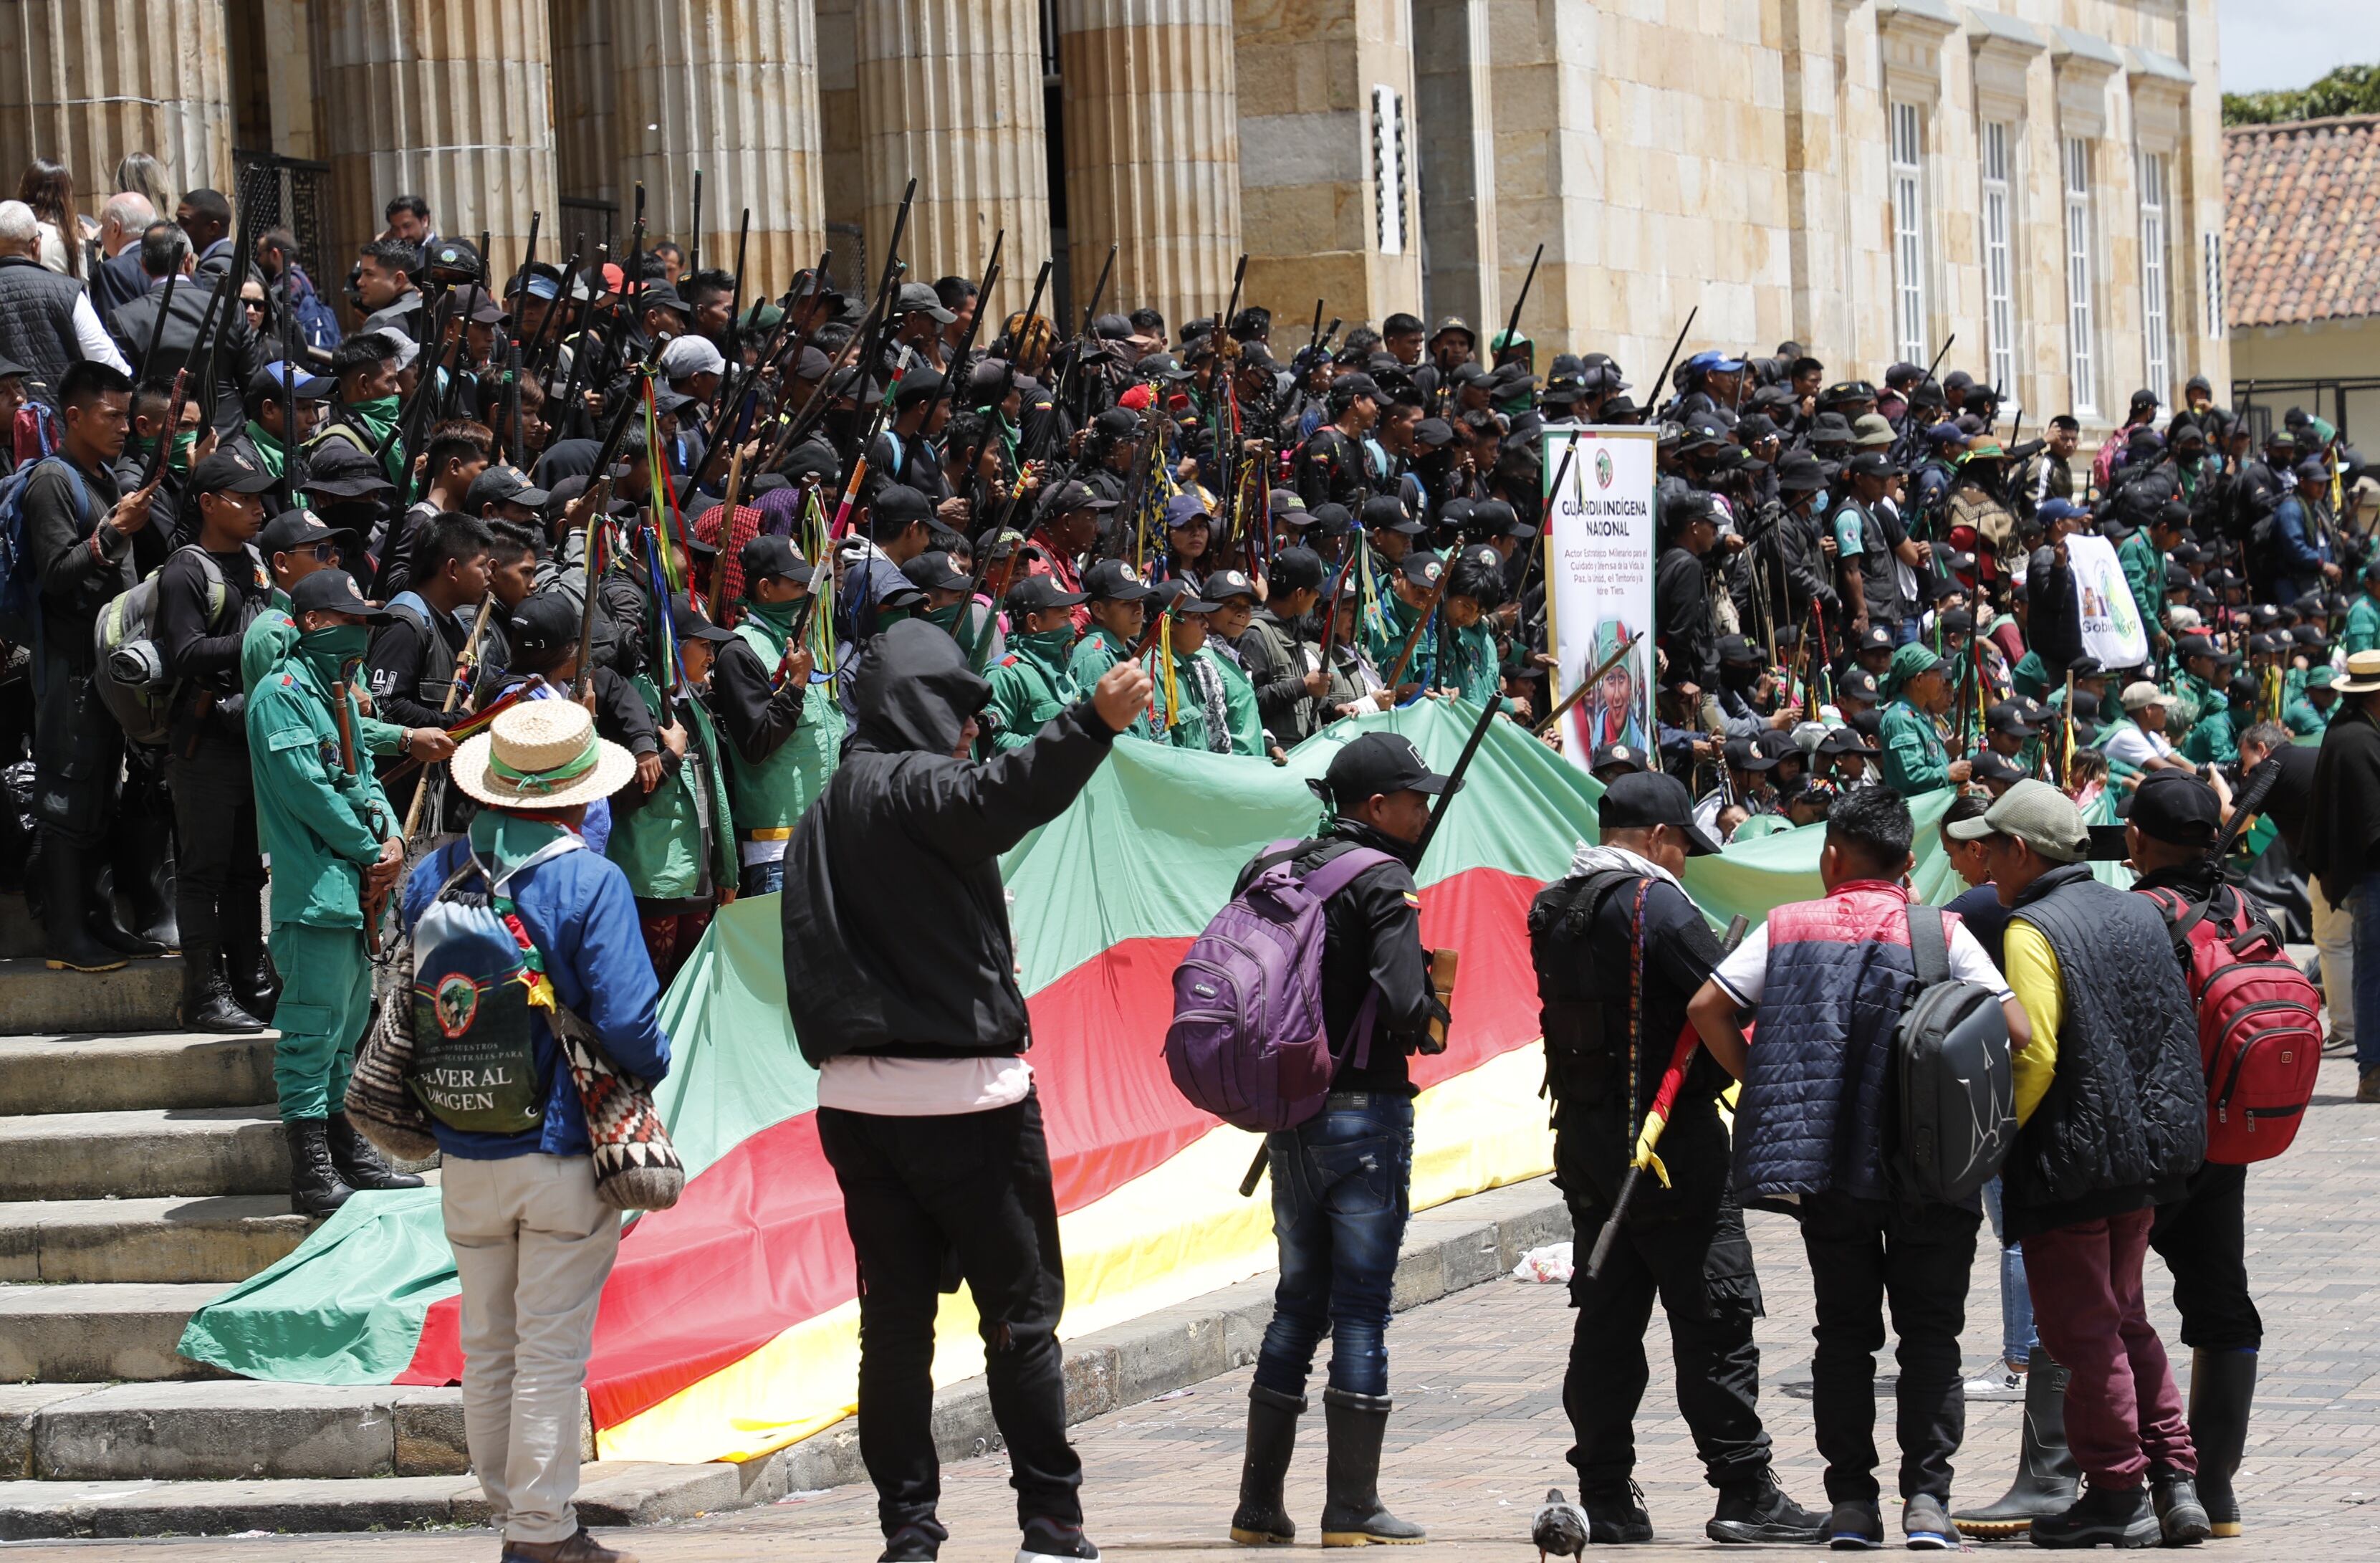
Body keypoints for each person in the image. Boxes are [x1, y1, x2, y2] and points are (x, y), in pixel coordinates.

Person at [779, 618, 1151, 1563]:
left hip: (855, 1107)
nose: (971, 729)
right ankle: (1051, 1526)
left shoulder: (825, 810)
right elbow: (1002, 794)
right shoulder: (912, 786)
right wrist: (1092, 721)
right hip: (969, 1102)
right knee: (1019, 1321)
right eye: (959, 710)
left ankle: (909, 1533)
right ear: (919, 708)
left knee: (894, 1330)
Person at [1687, 785, 2028, 1550]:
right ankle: (1927, 1503)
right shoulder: (1943, 934)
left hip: (1829, 1171)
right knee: (1931, 1336)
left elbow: (1707, 1006)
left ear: (1832, 856)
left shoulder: (1787, 926)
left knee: (1843, 1336)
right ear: (1908, 863)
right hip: (1934, 1170)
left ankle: (1851, 1506)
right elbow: (2017, 1029)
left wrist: (1759, 1079)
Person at [1528, 770, 1822, 1545]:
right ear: (1658, 838)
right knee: (1715, 1318)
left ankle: (1605, 1495)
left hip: (1587, 1146)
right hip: (1669, 1146)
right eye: (1683, 846)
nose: (1684, 860)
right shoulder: (1655, 904)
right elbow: (1726, 996)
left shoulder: (1552, 906)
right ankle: (1745, 1491)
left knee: (1607, 1324)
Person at [403, 698, 666, 1563]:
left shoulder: (432, 877)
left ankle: (515, 1513)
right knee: (550, 1349)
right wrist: (647, 1069)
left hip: (462, 1140)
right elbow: (631, 1026)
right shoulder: (590, 882)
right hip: (560, 1145)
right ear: (578, 795)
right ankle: (540, 1532)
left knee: (489, 1344)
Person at [1944, 780, 2209, 1547]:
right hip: (2146, 1157)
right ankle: (2175, 1481)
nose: (1984, 861)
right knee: (2125, 1317)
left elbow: (2034, 1053)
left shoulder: (2032, 927)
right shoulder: (2136, 909)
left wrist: (1994, 1142)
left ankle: (2118, 1492)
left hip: (2071, 1161)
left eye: (1992, 848)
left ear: (2022, 851)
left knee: (2082, 1331)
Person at [1229, 732, 1450, 1550]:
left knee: (1296, 1304)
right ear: (1377, 806)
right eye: (1414, 800)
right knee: (1360, 1310)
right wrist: (1435, 1004)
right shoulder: (1383, 878)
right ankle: (1352, 1507)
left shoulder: (1272, 863)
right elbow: (1403, 1006)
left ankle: (1258, 1508)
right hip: (1365, 1115)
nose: (1423, 812)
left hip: (1291, 1114)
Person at [245, 569, 421, 1214]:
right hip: (316, 892)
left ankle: (348, 1150)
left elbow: (367, 778)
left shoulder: (338, 696)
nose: (361, 635)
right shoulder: (281, 694)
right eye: (351, 620)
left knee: (347, 1030)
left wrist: (393, 839)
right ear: (314, 622)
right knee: (310, 1032)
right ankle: (311, 1168)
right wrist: (371, 849)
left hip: (356, 893)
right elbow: (309, 793)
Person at [2123, 773, 2267, 1541]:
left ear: (2137, 839)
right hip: (2226, 1132)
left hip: (2146, 1139)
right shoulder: (2246, 907)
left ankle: (2080, 1478)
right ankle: (2215, 1488)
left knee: (2092, 1299)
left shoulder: (2137, 915)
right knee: (2220, 1300)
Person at [23, 359, 157, 971]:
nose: (124, 427)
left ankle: (100, 920)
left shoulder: (102, 476)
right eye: (112, 416)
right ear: (74, 416)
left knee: (102, 795)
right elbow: (55, 574)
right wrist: (112, 533)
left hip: (105, 673)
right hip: (70, 670)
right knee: (65, 797)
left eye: (128, 416)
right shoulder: (53, 480)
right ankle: (66, 933)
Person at [155, 448, 278, 1031]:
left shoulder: (254, 560)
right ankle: (203, 994)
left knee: (246, 871)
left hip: (249, 736)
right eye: (245, 498)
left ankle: (251, 982)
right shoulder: (186, 569)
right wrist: (260, 640)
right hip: (204, 741)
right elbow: (184, 651)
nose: (259, 509)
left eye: (260, 498)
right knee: (202, 869)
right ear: (208, 503)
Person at [605, 593, 738, 988]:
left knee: (690, 988)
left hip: (697, 876)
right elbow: (629, 788)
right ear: (673, 647)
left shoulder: (693, 703)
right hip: (653, 876)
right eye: (704, 645)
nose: (711, 657)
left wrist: (725, 867)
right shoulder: (634, 702)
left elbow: (714, 790)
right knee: (656, 989)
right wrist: (670, 754)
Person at [712, 535, 839, 896]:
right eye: (798, 586)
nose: (808, 596)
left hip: (824, 837)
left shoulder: (801, 646)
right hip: (779, 850)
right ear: (766, 589)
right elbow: (756, 743)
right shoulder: (740, 652)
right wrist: (796, 684)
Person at [2301, 650, 2380, 1103]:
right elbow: (2371, 822)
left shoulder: (2355, 730)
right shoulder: (2356, 739)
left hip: (2368, 875)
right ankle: (2374, 1070)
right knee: (2373, 971)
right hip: (2373, 876)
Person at [0, 200, 127, 394]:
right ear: (36, 245)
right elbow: (112, 367)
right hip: (63, 411)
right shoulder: (68, 292)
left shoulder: (68, 292)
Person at [1875, 643, 1969, 797]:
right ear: (1919, 680)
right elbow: (1912, 776)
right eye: (1937, 673)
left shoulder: (1920, 716)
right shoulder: (1901, 718)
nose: (1943, 681)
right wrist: (1948, 774)